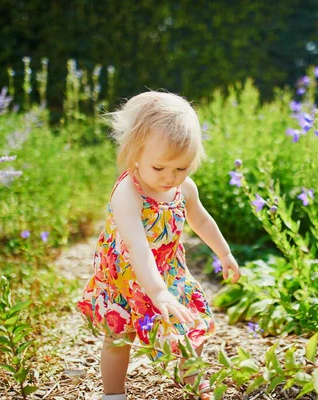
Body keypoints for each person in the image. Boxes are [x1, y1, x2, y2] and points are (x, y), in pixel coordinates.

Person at [76, 91, 242, 400]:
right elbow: (137, 247)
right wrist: (156, 291)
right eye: (160, 168)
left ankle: (191, 377)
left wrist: (224, 253)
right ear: (135, 153)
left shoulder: (184, 187)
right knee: (118, 336)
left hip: (167, 270)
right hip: (126, 275)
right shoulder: (128, 193)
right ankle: (113, 394)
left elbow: (201, 221)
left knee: (193, 321)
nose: (170, 178)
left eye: (181, 169)